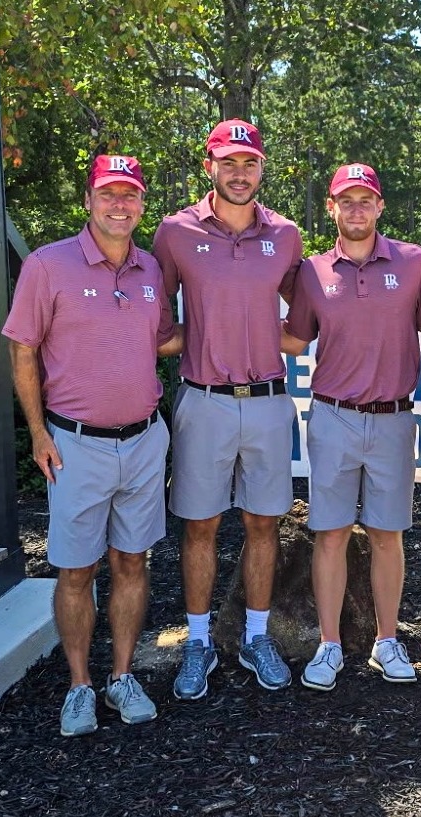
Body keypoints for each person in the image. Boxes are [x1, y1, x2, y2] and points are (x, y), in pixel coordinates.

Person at [3, 154, 181, 737]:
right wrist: (37, 433)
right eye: (108, 194)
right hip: (75, 444)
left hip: (145, 439)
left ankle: (122, 676)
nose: (119, 205)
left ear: (142, 204)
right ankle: (79, 684)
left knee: (132, 561)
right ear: (88, 201)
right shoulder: (48, 265)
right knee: (77, 570)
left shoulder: (150, 268)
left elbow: (163, 341)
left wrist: (236, 324)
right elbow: (23, 350)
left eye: (130, 194)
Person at [152, 120, 303, 701]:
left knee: (264, 523)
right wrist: (189, 337)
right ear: (209, 166)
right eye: (229, 162)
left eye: (250, 163)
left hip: (267, 400)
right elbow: (154, 312)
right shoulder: (175, 232)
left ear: (262, 168)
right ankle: (198, 641)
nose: (240, 173)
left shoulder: (284, 234)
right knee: (200, 524)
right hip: (204, 399)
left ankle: (256, 637)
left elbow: (307, 313)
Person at [283, 163, 421, 690]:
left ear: (380, 207)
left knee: (387, 535)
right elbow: (293, 340)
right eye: (345, 200)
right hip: (332, 416)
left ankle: (386, 641)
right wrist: (227, 324)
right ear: (331, 207)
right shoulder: (312, 271)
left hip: (394, 418)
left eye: (365, 200)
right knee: (330, 534)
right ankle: (329, 645)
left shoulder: (414, 262)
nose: (356, 209)